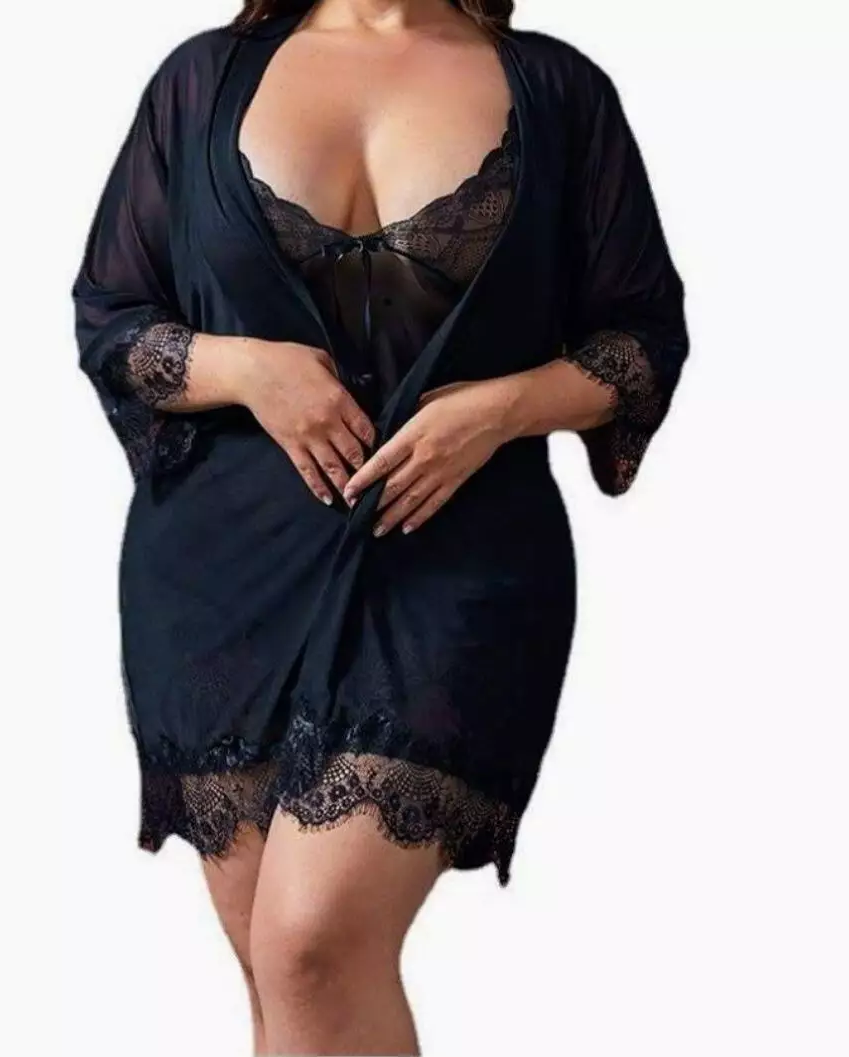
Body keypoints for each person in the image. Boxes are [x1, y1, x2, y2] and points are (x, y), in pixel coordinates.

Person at [71, 1, 689, 1053]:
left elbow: (640, 338)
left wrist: (502, 408)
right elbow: (113, 319)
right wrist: (246, 369)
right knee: (277, 974)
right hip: (220, 572)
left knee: (310, 943)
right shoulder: (202, 79)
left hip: (458, 557)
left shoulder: (555, 91)